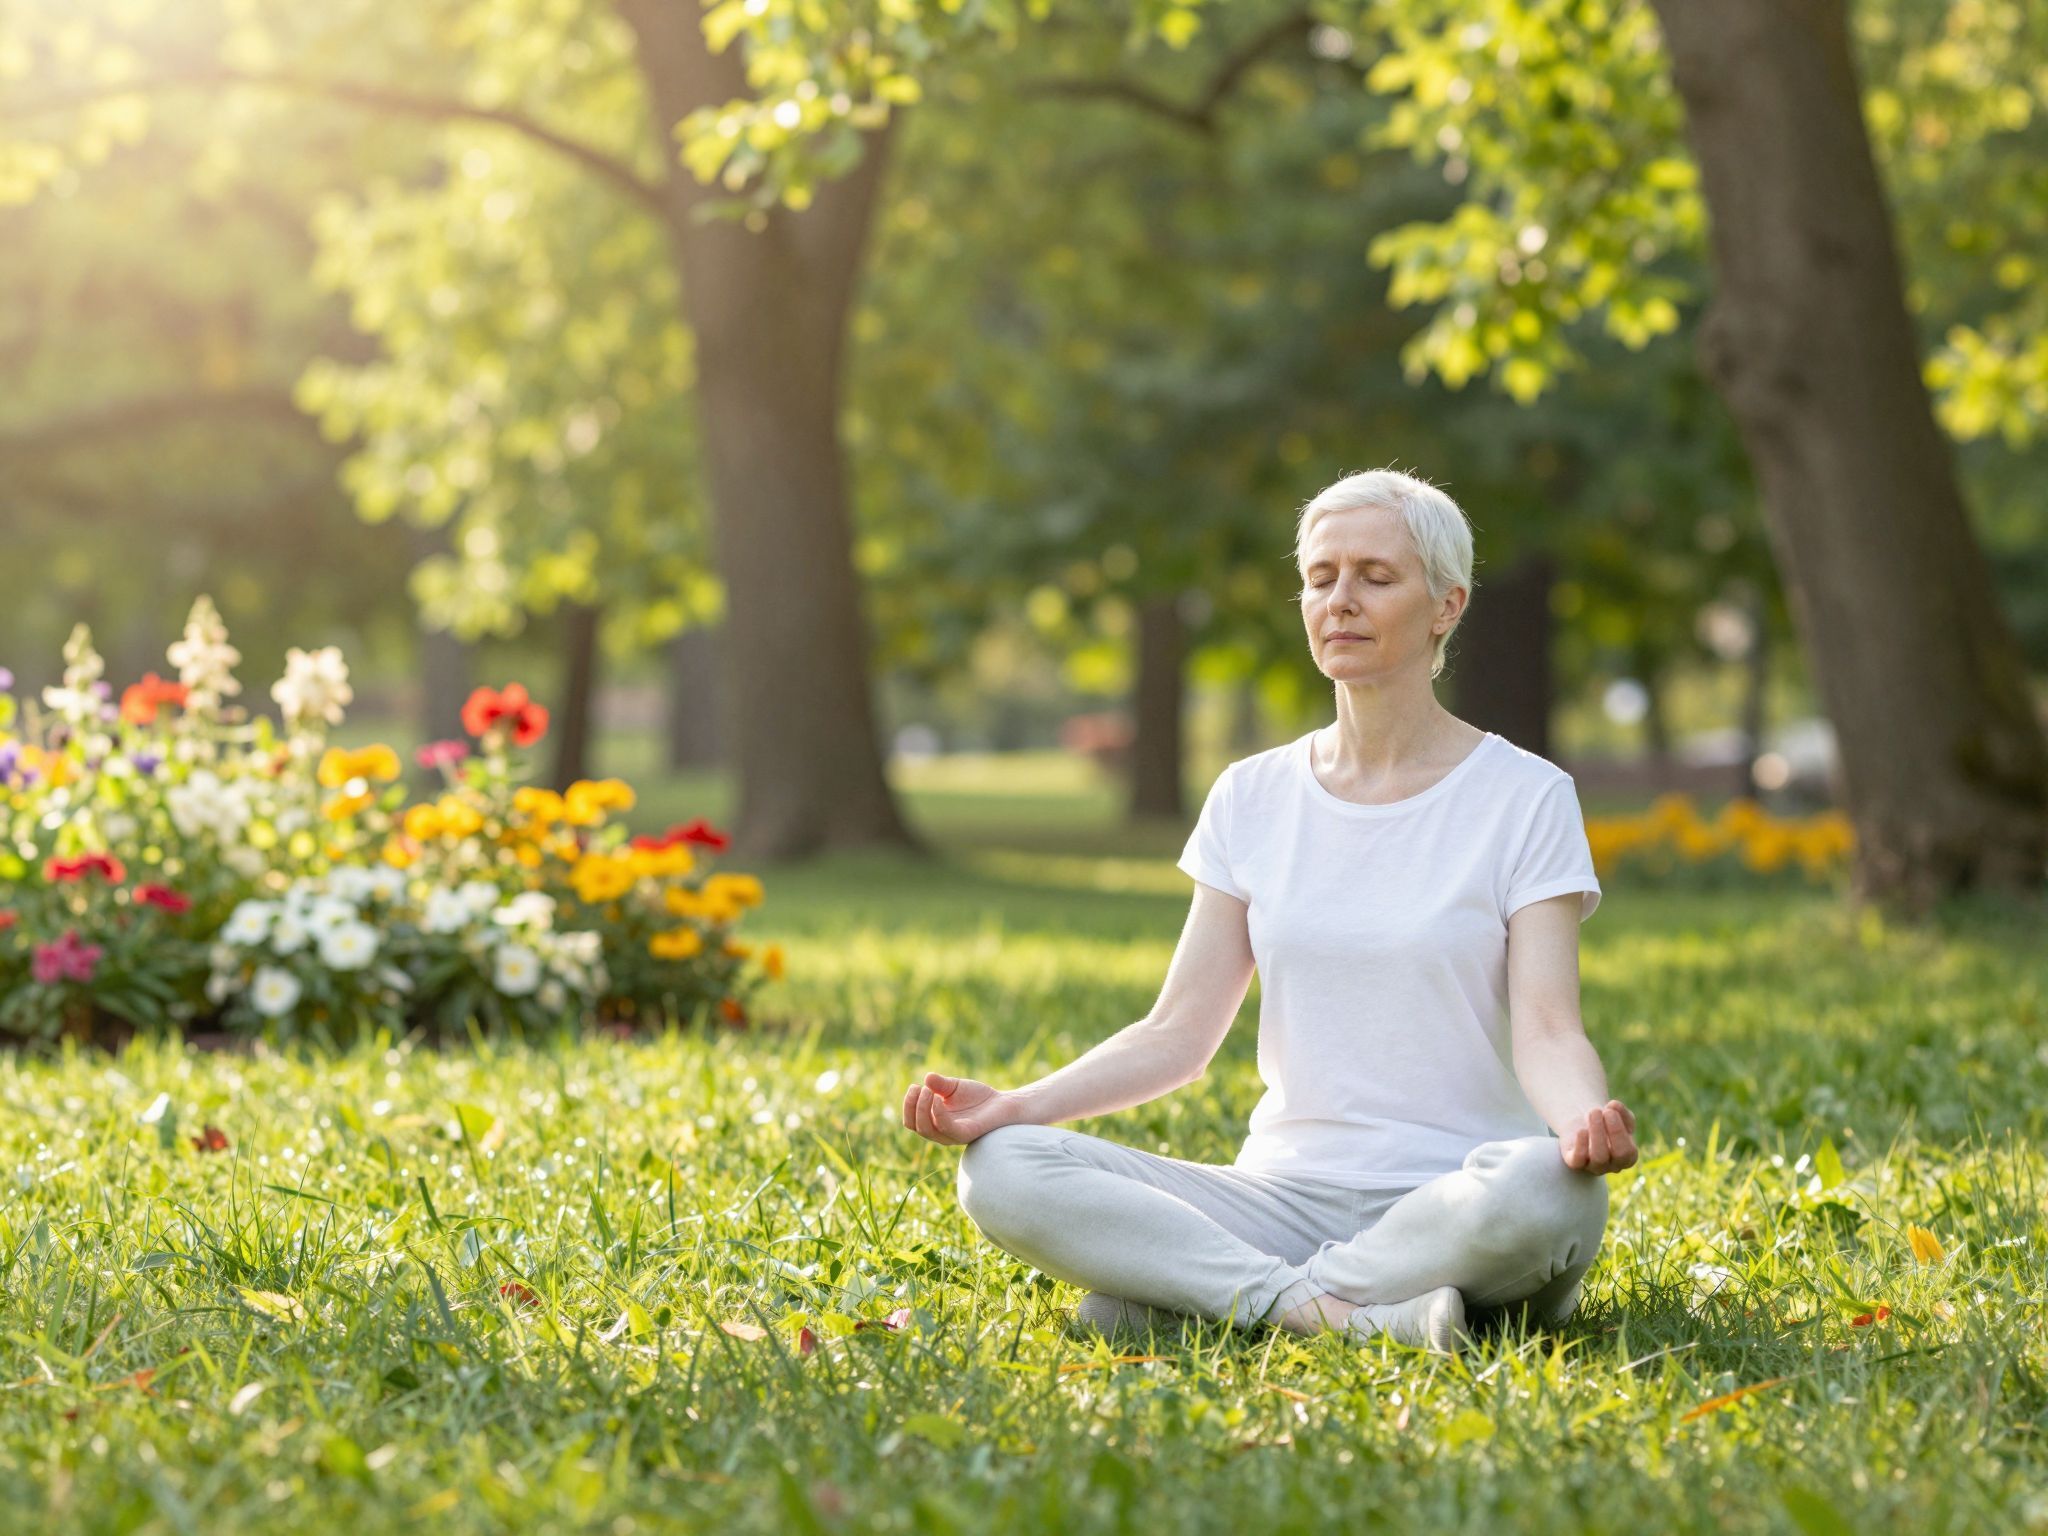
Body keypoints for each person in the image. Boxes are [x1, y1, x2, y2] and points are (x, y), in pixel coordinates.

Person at [902, 468, 1638, 1353]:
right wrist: (1016, 1105)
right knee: (1005, 1169)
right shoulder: (1252, 795)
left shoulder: (1525, 795)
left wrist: (1581, 1121)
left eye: (1376, 576)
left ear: (1447, 605)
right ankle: (1338, 1315)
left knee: (1553, 1194)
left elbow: (1550, 1031)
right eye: (1322, 577)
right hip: (1280, 1200)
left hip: (1457, 1202)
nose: (1342, 601)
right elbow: (1175, 1035)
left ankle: (1210, 1299)